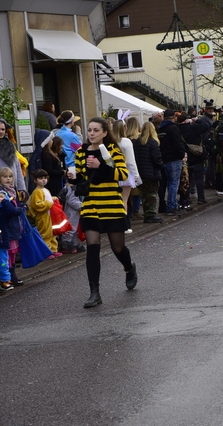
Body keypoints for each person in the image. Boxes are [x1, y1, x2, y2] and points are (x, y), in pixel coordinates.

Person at [74, 117, 137, 308]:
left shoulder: (112, 150)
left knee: (118, 247)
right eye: (89, 130)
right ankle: (94, 292)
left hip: (111, 205)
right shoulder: (81, 152)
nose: (91, 133)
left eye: (96, 130)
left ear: (104, 133)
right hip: (91, 205)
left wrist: (100, 166)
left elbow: (122, 174)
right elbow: (81, 177)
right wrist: (73, 177)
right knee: (92, 247)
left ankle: (129, 268)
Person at [112, 119, 142, 232]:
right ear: (124, 128)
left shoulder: (110, 142)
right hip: (125, 172)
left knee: (115, 199)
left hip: (113, 172)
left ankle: (115, 224)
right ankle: (124, 225)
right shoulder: (126, 141)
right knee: (124, 199)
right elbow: (131, 161)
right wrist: (136, 175)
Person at [133, 122, 164, 224]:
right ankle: (150, 214)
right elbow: (156, 158)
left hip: (140, 172)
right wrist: (161, 165)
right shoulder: (153, 143)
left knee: (144, 195)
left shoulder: (136, 143)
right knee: (151, 194)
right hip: (152, 172)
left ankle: (147, 213)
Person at [0, 188, 22, 293]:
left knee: (2, 263)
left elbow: (13, 211)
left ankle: (5, 281)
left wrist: (4, 201)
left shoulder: (3, 211)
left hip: (0, 242)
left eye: (1, 196)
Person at [28, 169, 58, 254]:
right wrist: (49, 203)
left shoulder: (46, 190)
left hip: (48, 215)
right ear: (35, 180)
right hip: (42, 217)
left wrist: (53, 199)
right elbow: (37, 205)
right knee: (45, 234)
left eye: (45, 178)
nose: (43, 180)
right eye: (40, 178)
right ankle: (46, 252)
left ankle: (53, 249)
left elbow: (47, 199)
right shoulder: (37, 192)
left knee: (52, 233)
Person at [0, 117, 26, 195]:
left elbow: (17, 167)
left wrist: (21, 188)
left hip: (12, 188)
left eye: (2, 129)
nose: (0, 132)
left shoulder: (10, 145)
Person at [55, 110, 82, 176]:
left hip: (62, 165)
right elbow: (80, 149)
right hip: (71, 165)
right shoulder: (72, 135)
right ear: (72, 121)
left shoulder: (57, 133)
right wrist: (78, 132)